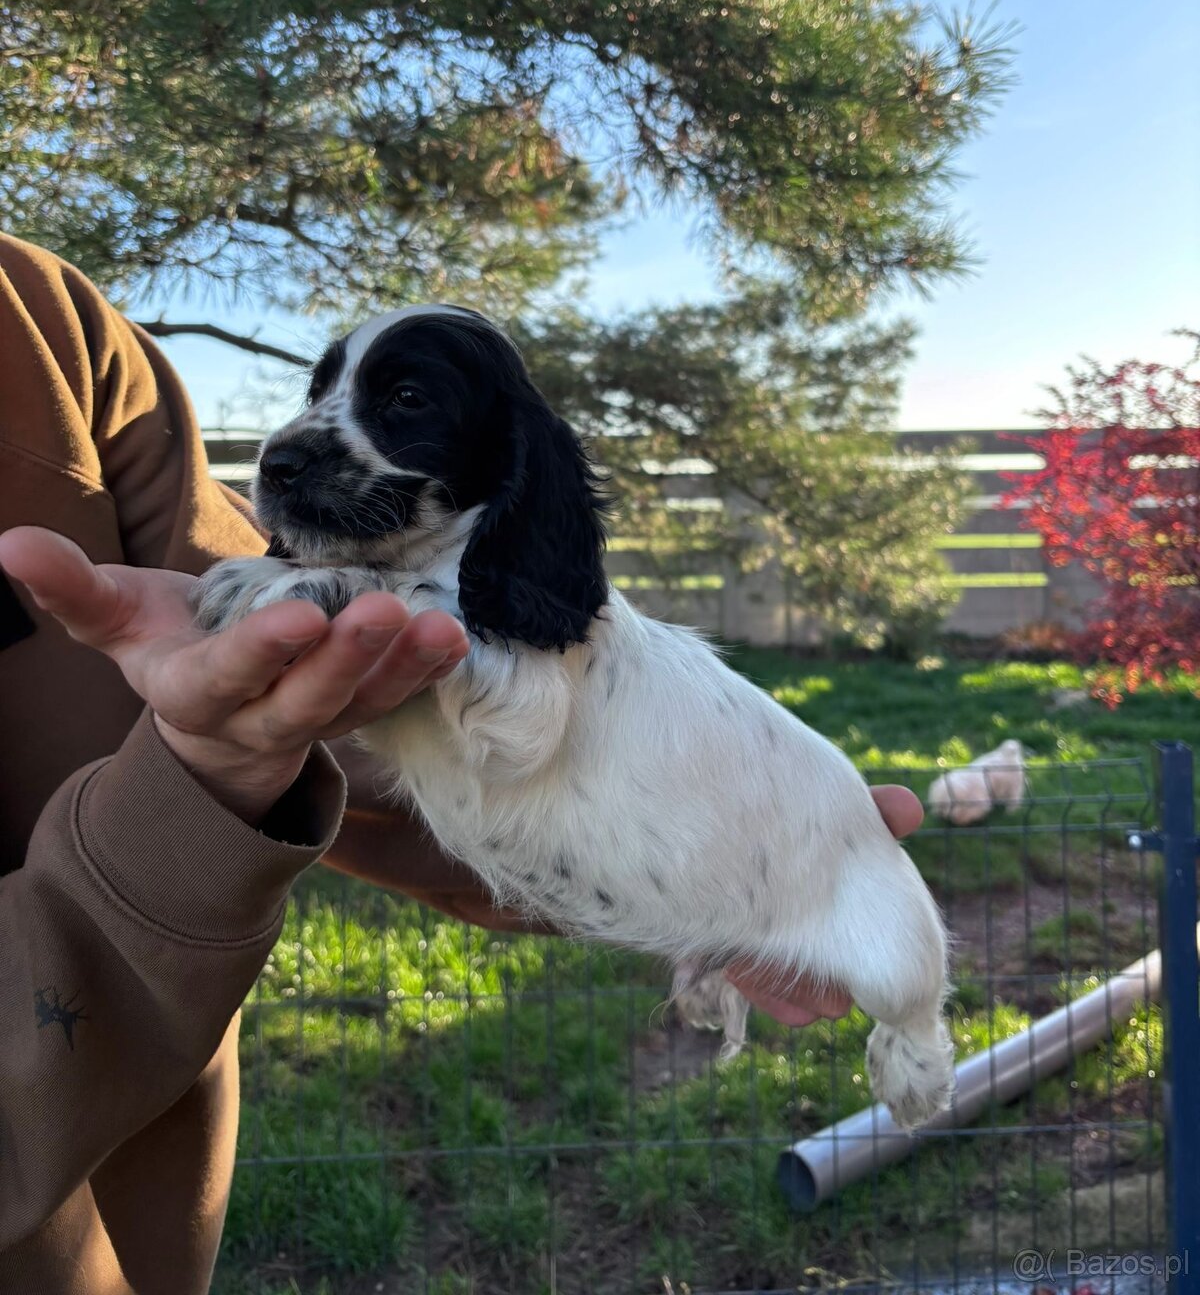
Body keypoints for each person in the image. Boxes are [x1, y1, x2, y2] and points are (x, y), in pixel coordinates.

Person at [0, 234, 922, 1293]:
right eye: (326, 396)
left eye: (395, 402)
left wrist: (683, 880)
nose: (294, 448)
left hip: (147, 1140)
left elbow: (303, 651)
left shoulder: (44, 324)